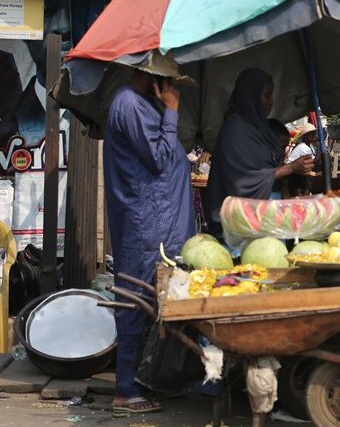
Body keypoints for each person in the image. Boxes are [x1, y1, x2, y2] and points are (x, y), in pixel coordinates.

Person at [104, 52, 197, 414]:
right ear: (157, 79)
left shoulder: (143, 104)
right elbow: (157, 159)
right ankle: (126, 389)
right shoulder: (128, 103)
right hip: (146, 222)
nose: (173, 89)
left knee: (156, 300)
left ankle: (148, 380)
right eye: (170, 82)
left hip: (161, 220)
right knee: (136, 298)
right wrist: (172, 110)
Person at [205, 69, 314, 237]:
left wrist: (293, 184)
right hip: (241, 226)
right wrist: (290, 168)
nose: (271, 102)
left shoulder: (259, 130)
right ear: (251, 97)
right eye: (267, 96)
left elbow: (270, 166)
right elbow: (241, 181)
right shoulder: (234, 132)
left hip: (268, 218)